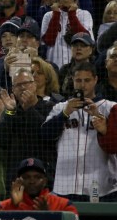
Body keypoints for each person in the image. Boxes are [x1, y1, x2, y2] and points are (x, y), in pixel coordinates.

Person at [41, 62, 117, 201]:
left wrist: (103, 124)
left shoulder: (109, 107)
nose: (82, 85)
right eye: (78, 80)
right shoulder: (60, 108)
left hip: (101, 185)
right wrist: (65, 113)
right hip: (65, 185)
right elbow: (45, 135)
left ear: (95, 80)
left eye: (87, 80)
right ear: (73, 81)